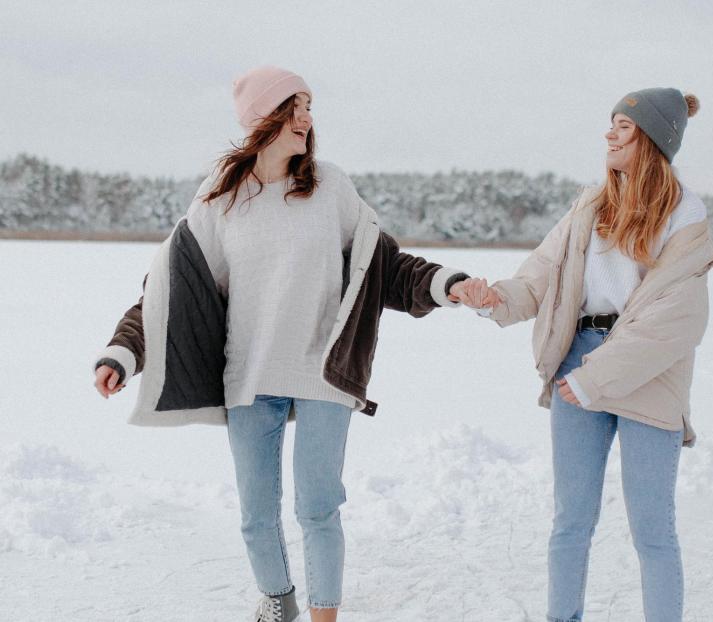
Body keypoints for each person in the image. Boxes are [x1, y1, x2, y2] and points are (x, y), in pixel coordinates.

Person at [92, 65, 485, 622]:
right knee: (256, 514)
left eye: (308, 106)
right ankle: (278, 601)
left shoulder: (330, 187)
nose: (307, 117)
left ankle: (325, 614)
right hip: (248, 376)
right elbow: (166, 293)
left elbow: (387, 266)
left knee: (318, 507)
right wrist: (123, 353)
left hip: (323, 371)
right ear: (262, 118)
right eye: (294, 105)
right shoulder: (219, 201)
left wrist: (450, 284)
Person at [462, 88, 713, 621]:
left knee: (652, 529)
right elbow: (541, 273)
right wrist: (498, 299)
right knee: (570, 522)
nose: (609, 133)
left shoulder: (686, 219)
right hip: (577, 362)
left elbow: (675, 323)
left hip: (648, 375)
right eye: (610, 124)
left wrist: (593, 380)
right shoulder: (592, 205)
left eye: (623, 127)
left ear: (651, 138)